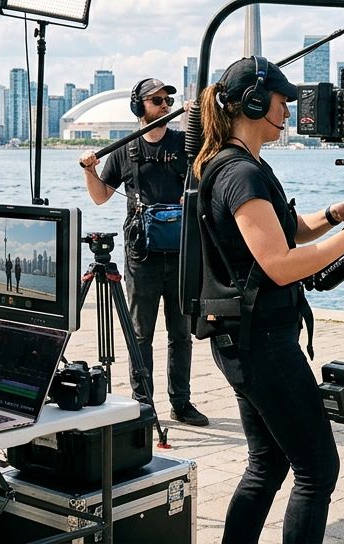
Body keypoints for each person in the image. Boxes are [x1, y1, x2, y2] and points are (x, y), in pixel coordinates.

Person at [192, 56, 344, 543]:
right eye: (282, 102)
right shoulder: (240, 174)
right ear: (255, 103)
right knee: (318, 468)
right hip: (262, 343)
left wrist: (334, 215)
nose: (287, 112)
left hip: (246, 337)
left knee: (268, 464)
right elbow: (278, 263)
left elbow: (287, 232)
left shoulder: (244, 167)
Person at [79, 77, 208, 426]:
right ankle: (143, 404)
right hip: (142, 257)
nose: (165, 106)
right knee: (141, 334)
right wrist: (90, 170)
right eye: (156, 100)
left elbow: (208, 178)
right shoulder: (125, 149)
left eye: (168, 100)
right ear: (139, 106)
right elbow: (100, 196)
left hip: (181, 254)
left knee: (181, 334)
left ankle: (181, 403)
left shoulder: (186, 143)